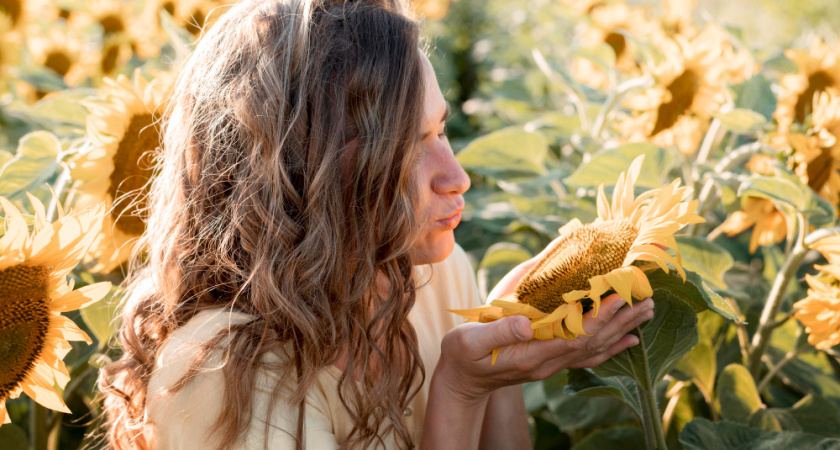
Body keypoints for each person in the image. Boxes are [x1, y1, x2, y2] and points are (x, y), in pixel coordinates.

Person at [98, 0, 655, 448]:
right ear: (298, 177)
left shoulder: (437, 275)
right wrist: (461, 390)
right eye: (406, 150)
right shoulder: (221, 369)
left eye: (440, 131)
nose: (456, 178)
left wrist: (502, 365)